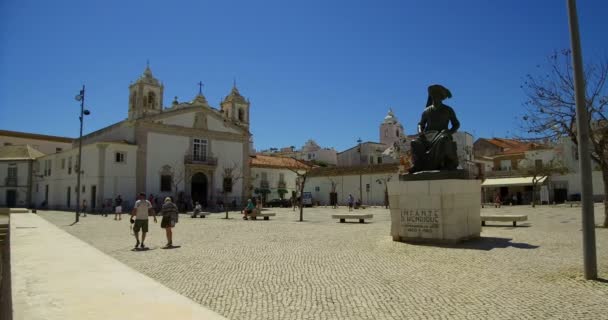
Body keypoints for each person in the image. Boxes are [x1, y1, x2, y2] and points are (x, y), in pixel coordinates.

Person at [409, 84, 461, 173]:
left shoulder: (448, 110)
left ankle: (440, 164)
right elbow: (421, 124)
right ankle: (418, 165)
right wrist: (420, 132)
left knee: (442, 139)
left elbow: (456, 124)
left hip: (442, 134)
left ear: (441, 97)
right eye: (434, 95)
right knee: (414, 142)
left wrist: (449, 132)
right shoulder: (426, 111)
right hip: (428, 136)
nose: (436, 97)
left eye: (438, 96)